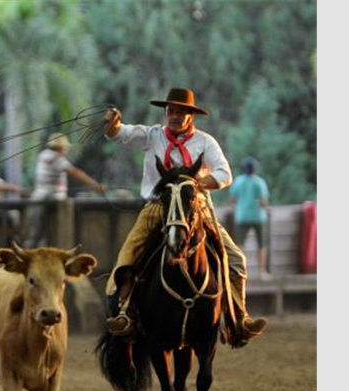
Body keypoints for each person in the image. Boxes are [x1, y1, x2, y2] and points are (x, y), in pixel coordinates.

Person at [102, 87, 267, 347]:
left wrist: (196, 183)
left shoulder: (205, 141)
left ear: (191, 115)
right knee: (129, 253)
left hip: (195, 207)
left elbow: (225, 174)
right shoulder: (152, 136)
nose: (175, 116)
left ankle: (239, 317)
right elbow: (119, 133)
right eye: (171, 111)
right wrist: (112, 123)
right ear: (166, 112)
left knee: (235, 259)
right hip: (157, 207)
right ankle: (124, 312)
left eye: (181, 111)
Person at [23, 133, 106, 247]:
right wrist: (95, 185)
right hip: (51, 197)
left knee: (37, 232)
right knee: (43, 233)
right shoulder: (56, 158)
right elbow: (75, 172)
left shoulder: (43, 155)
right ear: (60, 148)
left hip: (40, 196)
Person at [230, 156, 270, 276]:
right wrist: (266, 207)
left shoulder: (238, 181)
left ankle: (240, 271)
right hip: (258, 217)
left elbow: (233, 200)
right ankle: (262, 272)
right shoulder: (259, 182)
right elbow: (263, 201)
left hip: (242, 216)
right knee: (261, 244)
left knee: (240, 245)